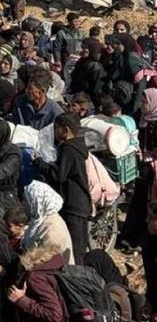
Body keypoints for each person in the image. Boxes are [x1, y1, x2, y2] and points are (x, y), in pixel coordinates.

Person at [40, 111, 91, 266]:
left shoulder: (68, 150)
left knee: (76, 249)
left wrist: (39, 163)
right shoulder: (76, 147)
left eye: (57, 128)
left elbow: (59, 176)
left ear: (66, 130)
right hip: (78, 202)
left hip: (74, 205)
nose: (55, 132)